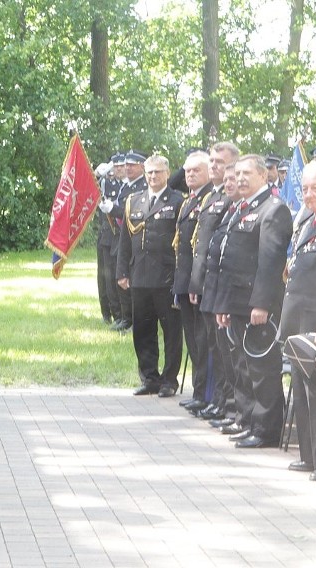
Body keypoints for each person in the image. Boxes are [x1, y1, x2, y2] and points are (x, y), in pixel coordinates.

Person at [212, 154, 292, 448]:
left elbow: (270, 263)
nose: (241, 178)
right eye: (239, 173)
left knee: (262, 369)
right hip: (236, 303)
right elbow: (226, 261)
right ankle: (247, 420)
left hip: (257, 306)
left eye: (248, 173)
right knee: (242, 367)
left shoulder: (273, 210)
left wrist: (262, 304)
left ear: (263, 176)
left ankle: (266, 429)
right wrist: (223, 304)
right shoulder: (239, 208)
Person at [116, 154, 184, 397]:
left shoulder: (177, 201)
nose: (153, 176)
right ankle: (149, 378)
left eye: (157, 172)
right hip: (140, 276)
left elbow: (182, 243)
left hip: (166, 278)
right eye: (150, 172)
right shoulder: (134, 201)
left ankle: (169, 380)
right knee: (143, 331)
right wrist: (122, 271)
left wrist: (180, 277)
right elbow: (125, 239)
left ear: (167, 173)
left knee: (172, 332)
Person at [186, 142, 241, 421]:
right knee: (211, 346)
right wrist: (196, 282)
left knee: (223, 351)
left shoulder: (233, 197)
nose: (214, 166)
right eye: (212, 160)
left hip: (223, 286)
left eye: (220, 161)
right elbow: (201, 245)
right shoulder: (211, 197)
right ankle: (217, 400)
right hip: (207, 282)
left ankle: (226, 403)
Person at [278, 161, 316, 478]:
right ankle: (309, 456)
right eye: (305, 188)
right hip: (297, 319)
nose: (308, 195)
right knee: (302, 387)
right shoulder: (307, 219)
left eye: (315, 188)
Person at [172, 150, 213, 409]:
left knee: (202, 341)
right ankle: (199, 393)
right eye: (187, 171)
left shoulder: (210, 198)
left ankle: (205, 395)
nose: (189, 175)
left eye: (196, 170)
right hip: (185, 281)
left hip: (199, 283)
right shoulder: (189, 201)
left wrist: (196, 283)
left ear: (208, 172)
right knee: (193, 340)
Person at [104, 149, 148, 332]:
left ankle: (135, 319)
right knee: (119, 275)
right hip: (119, 236)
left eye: (132, 165)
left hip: (135, 236)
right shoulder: (127, 186)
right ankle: (125, 316)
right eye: (126, 165)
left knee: (131, 280)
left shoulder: (143, 186)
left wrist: (113, 209)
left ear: (141, 166)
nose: (127, 168)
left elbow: (135, 212)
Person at [95, 155, 123, 327]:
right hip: (106, 233)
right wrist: (97, 174)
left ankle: (120, 313)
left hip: (119, 234)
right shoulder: (105, 182)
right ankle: (107, 312)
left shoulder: (126, 185)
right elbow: (88, 189)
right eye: (117, 166)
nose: (118, 170)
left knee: (116, 276)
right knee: (104, 276)